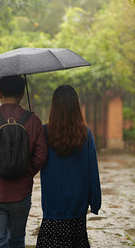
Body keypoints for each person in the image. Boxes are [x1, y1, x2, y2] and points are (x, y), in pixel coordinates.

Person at [0, 75, 47, 248]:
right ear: (21, 94)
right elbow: (41, 156)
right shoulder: (33, 120)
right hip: (20, 192)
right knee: (17, 241)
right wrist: (25, 172)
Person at [36, 85, 102, 248]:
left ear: (54, 106)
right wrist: (95, 202)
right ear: (75, 105)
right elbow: (92, 170)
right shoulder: (85, 133)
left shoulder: (44, 132)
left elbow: (35, 162)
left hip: (53, 202)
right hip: (78, 203)